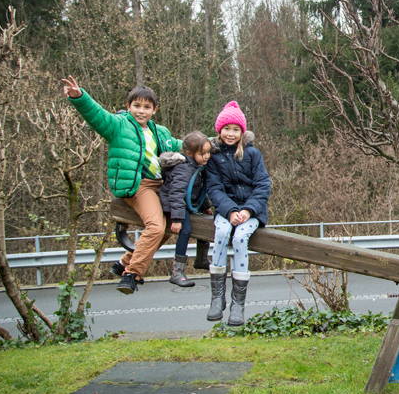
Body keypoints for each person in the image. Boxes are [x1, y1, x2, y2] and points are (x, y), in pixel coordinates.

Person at [61, 76, 182, 294]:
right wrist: (80, 97)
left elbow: (185, 145)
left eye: (147, 107)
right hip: (138, 186)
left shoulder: (160, 132)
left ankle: (125, 261)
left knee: (166, 229)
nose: (141, 111)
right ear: (128, 107)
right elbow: (97, 116)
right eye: (136, 106)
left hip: (159, 186)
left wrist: (213, 142)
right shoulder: (119, 126)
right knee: (156, 226)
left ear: (155, 109)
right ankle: (131, 275)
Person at [205, 101, 271, 326]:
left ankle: (238, 304)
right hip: (226, 210)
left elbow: (263, 184)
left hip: (252, 212)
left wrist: (247, 210)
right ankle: (216, 298)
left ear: (242, 132)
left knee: (241, 238)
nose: (230, 133)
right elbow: (214, 188)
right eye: (226, 129)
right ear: (219, 130)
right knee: (222, 234)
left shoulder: (252, 154)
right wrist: (231, 210)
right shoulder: (213, 158)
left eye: (235, 129)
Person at [158, 131, 213, 287]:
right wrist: (177, 219)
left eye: (208, 152)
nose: (207, 156)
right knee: (186, 230)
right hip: (176, 206)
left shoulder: (196, 166)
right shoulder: (183, 168)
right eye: (203, 153)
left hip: (187, 204)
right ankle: (178, 271)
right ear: (189, 153)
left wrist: (205, 206)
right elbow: (176, 194)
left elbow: (197, 189)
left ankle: (201, 259)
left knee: (206, 224)